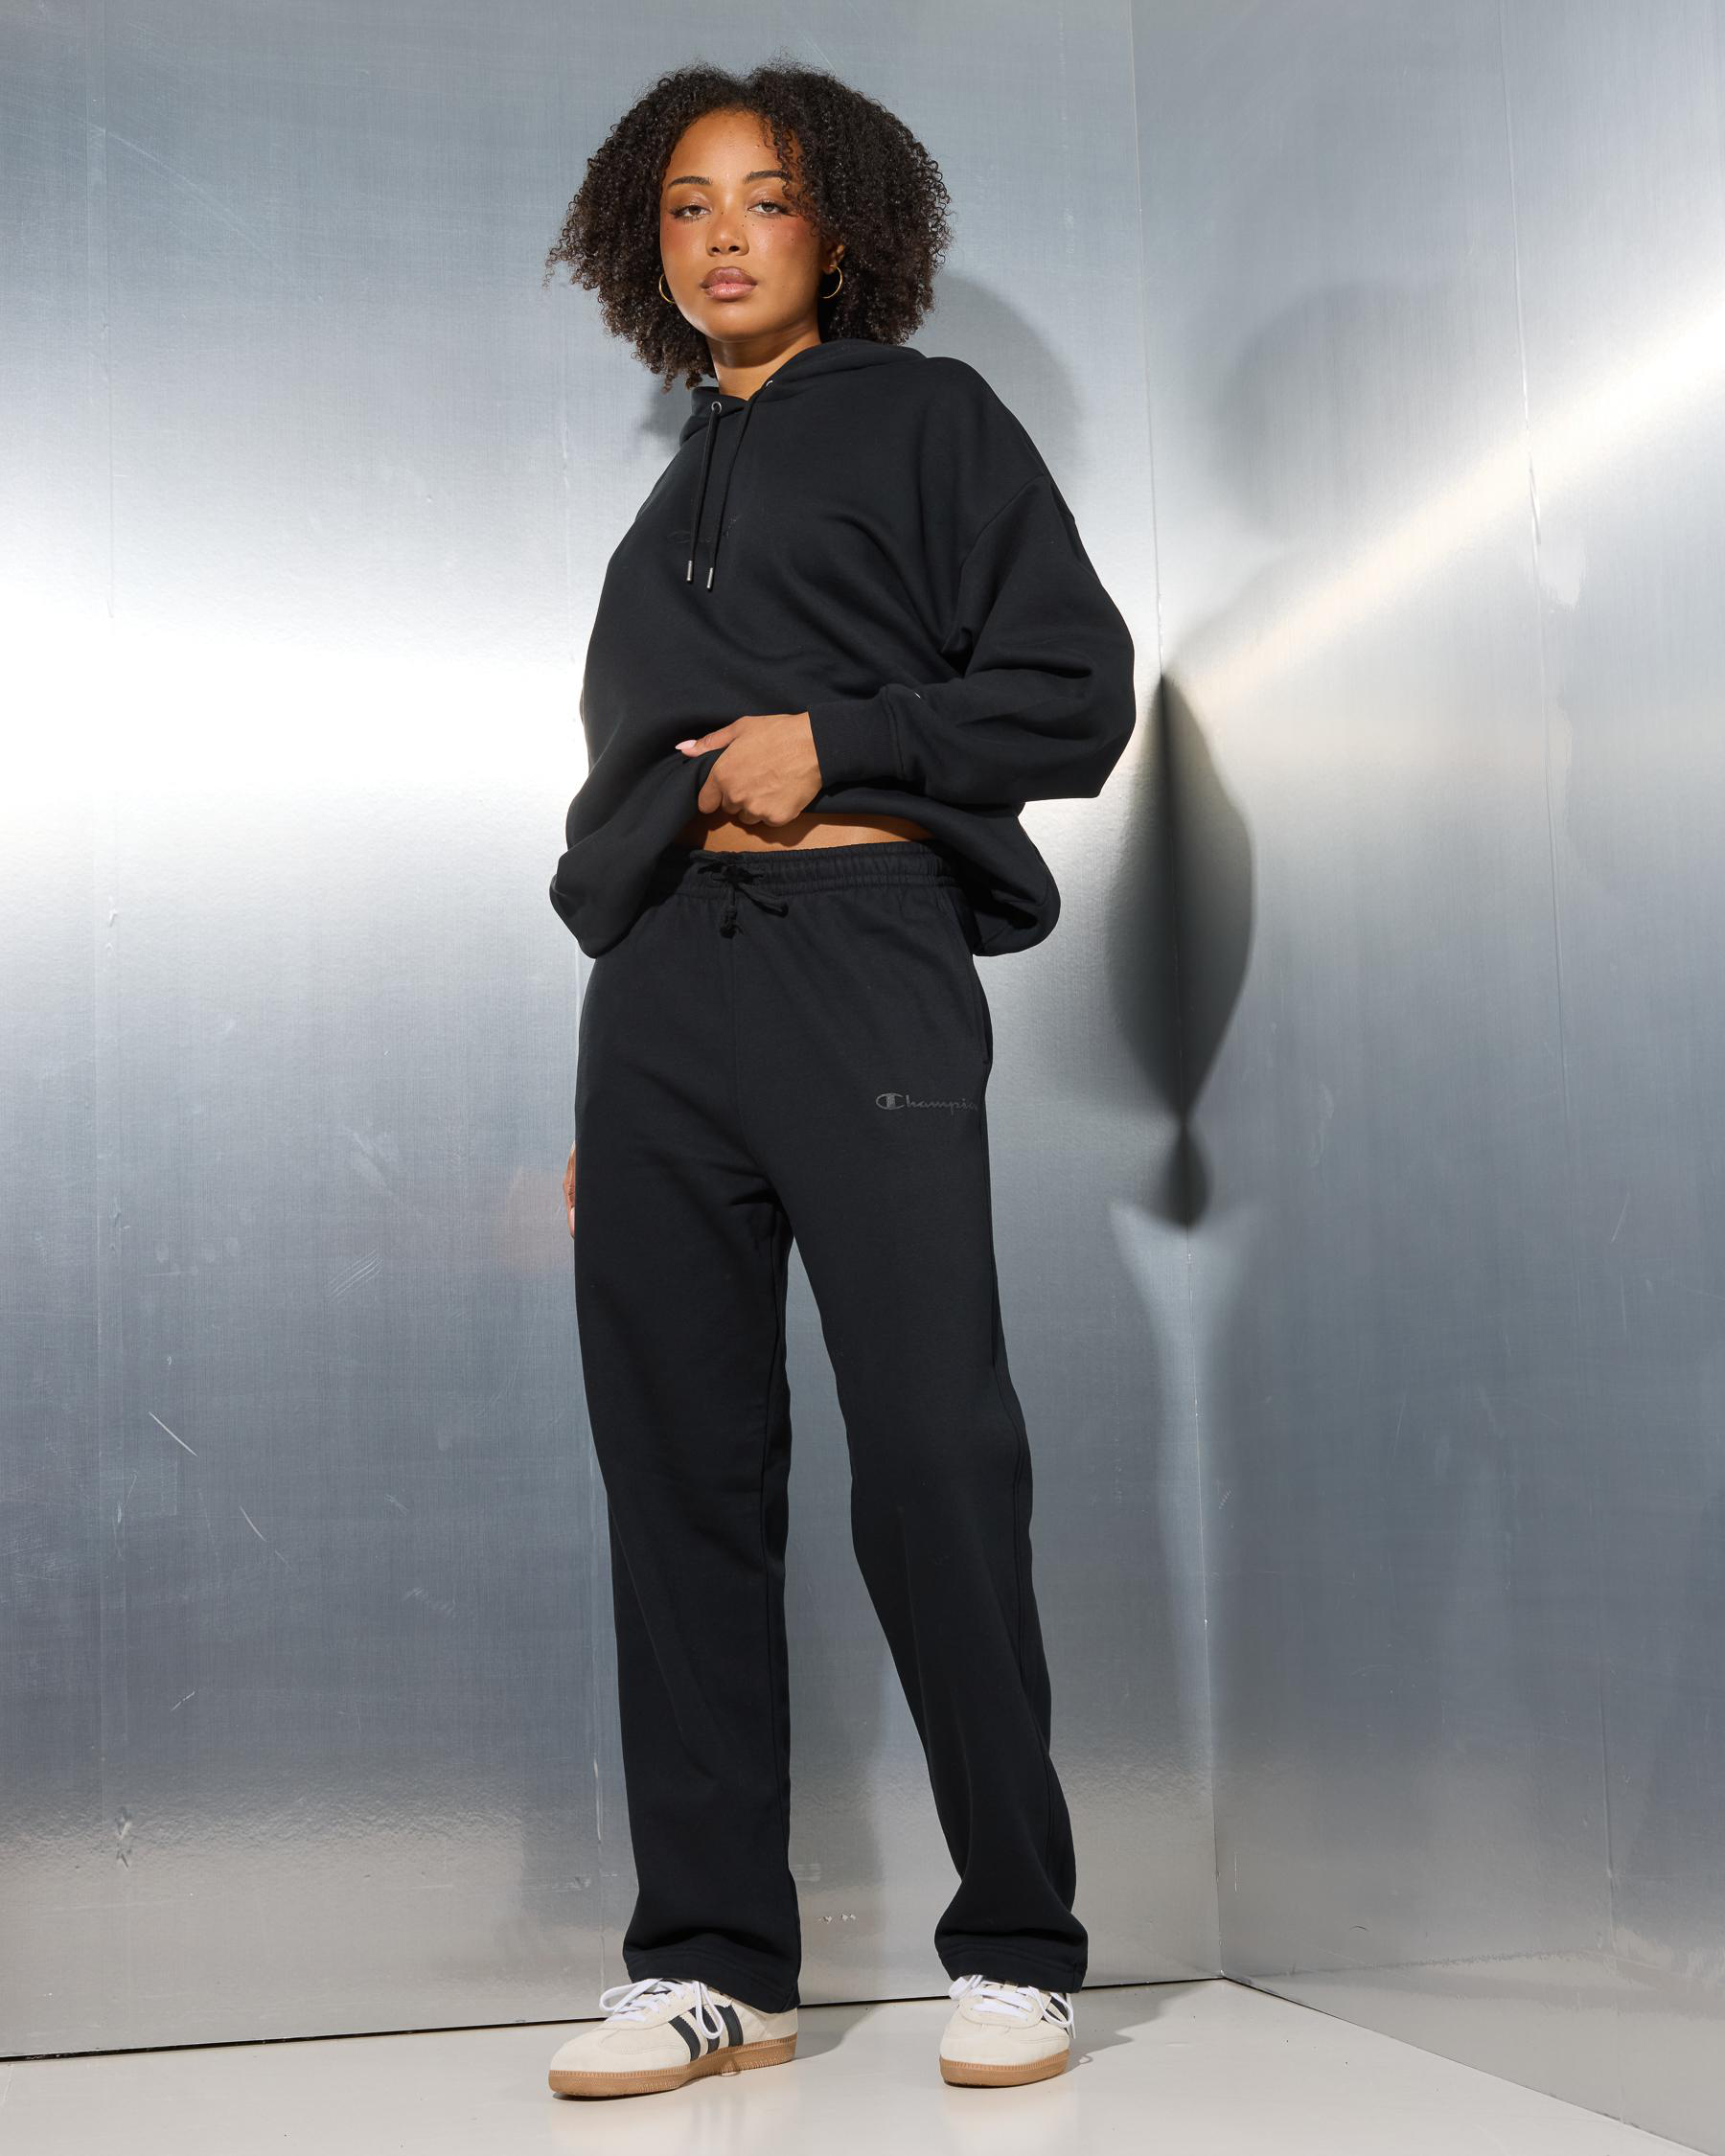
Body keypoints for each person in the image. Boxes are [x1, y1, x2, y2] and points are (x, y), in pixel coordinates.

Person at [539, 60, 1137, 2099]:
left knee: (933, 1451)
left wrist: (847, 740)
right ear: (645, 246)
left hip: (860, 961)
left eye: (765, 198)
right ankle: (714, 1961)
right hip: (659, 1004)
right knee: (678, 1474)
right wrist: (615, 1083)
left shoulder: (931, 419)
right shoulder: (665, 502)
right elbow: (626, 785)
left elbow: (1073, 693)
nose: (722, 236)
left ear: (841, 230)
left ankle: (1018, 1941)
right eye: (686, 205)